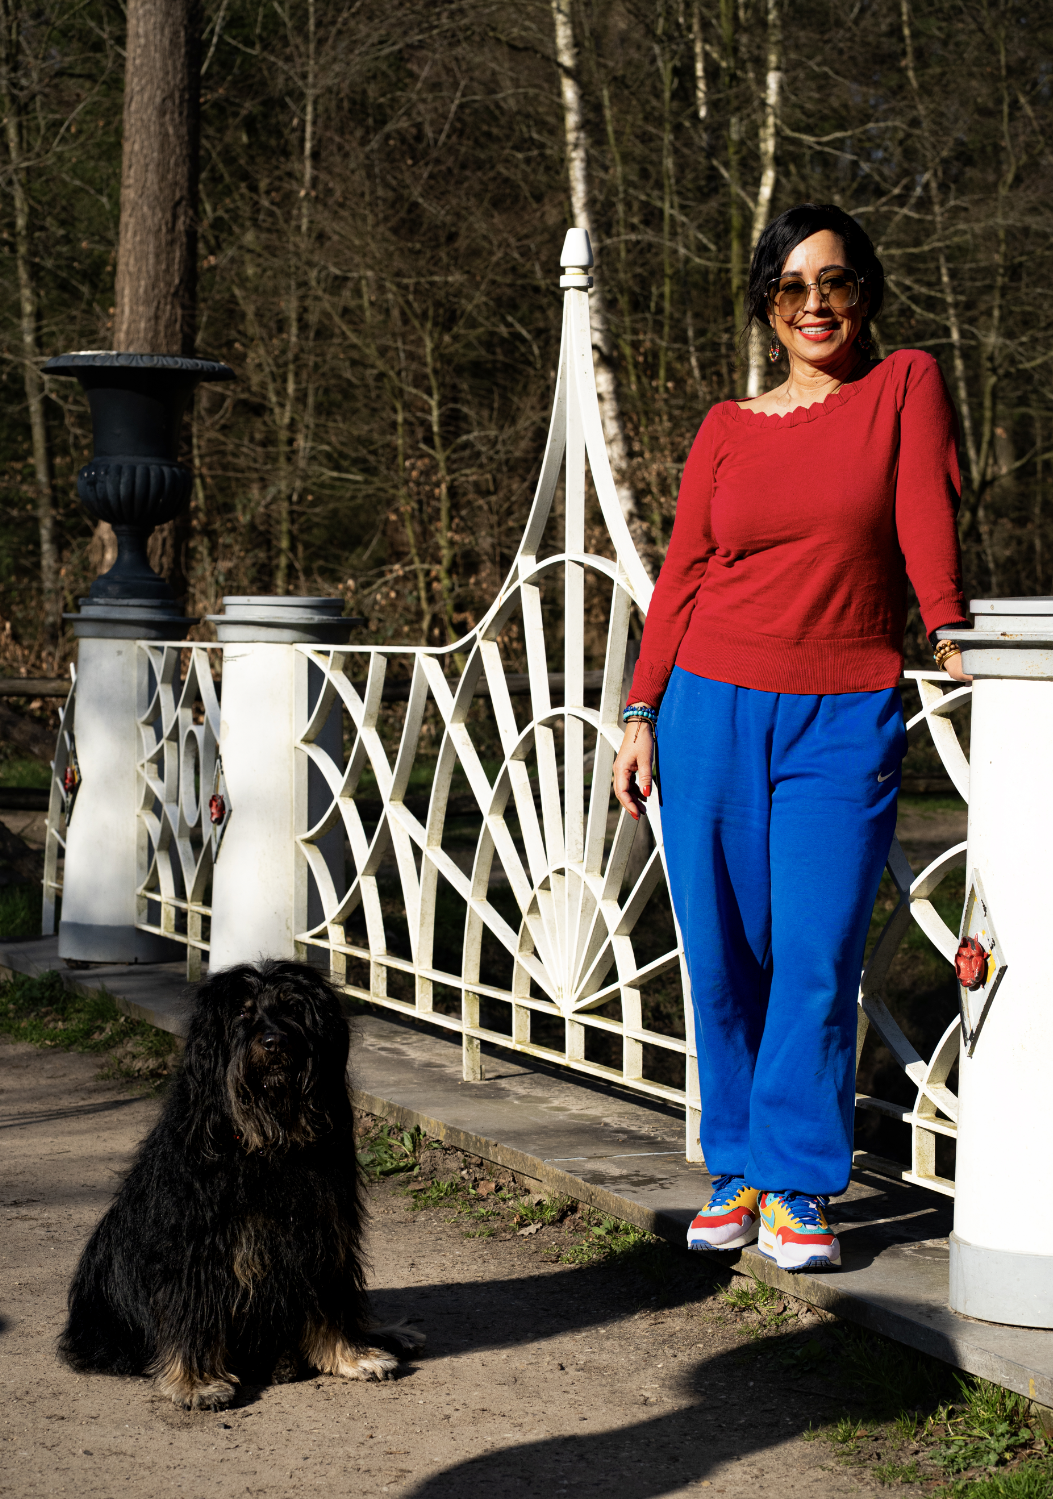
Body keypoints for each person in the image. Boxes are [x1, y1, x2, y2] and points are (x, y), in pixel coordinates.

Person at [612, 202, 969, 1272]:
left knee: (815, 953)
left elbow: (923, 514)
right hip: (707, 704)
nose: (816, 303)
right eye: (792, 286)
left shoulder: (902, 384)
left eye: (836, 281)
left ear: (865, 292)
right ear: (768, 305)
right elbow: (683, 573)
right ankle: (735, 1168)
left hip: (842, 710)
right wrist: (638, 711)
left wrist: (949, 628)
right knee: (723, 954)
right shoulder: (726, 426)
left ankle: (800, 1178)